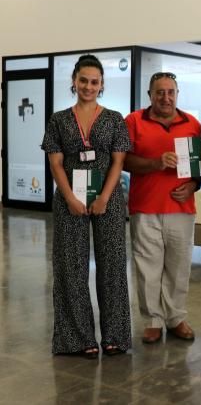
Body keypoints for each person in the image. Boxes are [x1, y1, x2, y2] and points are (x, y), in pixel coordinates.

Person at [42, 54, 131, 358]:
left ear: (101, 85)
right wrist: (69, 197)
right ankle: (78, 339)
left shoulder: (115, 119)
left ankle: (115, 336)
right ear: (74, 81)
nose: (88, 87)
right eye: (83, 81)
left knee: (113, 266)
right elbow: (55, 163)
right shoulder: (58, 120)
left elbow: (118, 161)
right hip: (70, 200)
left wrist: (105, 197)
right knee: (71, 267)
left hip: (108, 200)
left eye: (94, 82)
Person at [124, 72, 201, 344]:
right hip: (145, 208)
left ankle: (175, 318)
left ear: (177, 94)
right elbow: (124, 161)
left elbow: (199, 166)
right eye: (159, 92)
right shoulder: (134, 121)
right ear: (150, 95)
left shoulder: (192, 124)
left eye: (170, 92)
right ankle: (153, 321)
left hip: (181, 208)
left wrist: (193, 185)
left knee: (179, 267)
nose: (165, 97)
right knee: (148, 268)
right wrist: (156, 163)